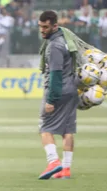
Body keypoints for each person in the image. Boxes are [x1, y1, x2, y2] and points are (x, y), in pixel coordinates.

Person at [37, 10, 78, 180]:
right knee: (67, 130)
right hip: (71, 90)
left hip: (58, 91)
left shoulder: (54, 46)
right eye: (40, 27)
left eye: (45, 27)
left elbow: (55, 74)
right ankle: (66, 169)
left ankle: (53, 161)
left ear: (55, 25)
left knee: (45, 128)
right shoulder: (66, 39)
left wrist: (51, 100)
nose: (42, 30)